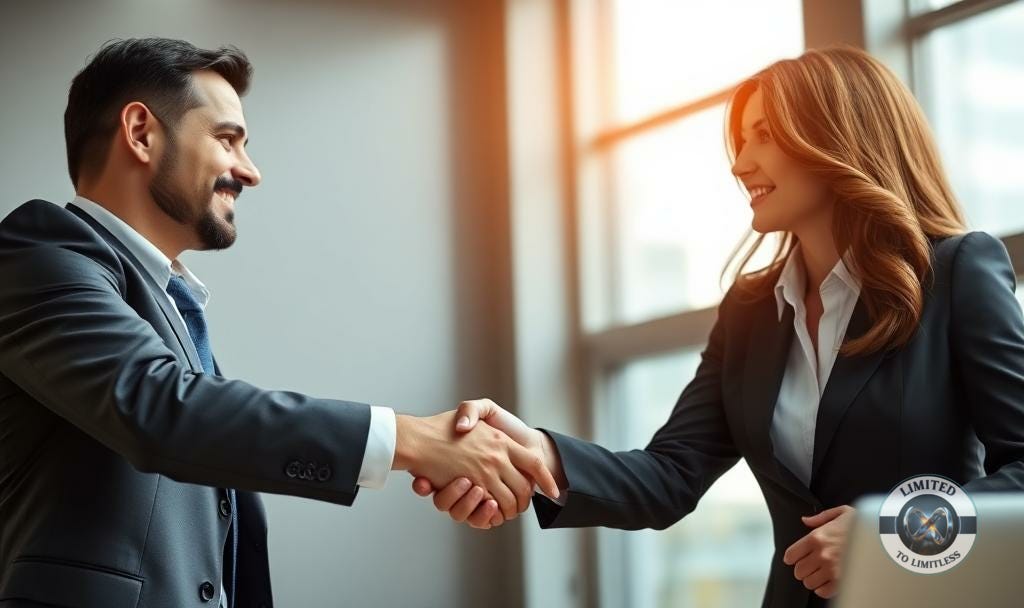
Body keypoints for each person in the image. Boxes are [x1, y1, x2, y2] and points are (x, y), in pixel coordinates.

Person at [415, 46, 1024, 607]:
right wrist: (533, 451)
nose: (741, 161)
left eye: (764, 134)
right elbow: (669, 476)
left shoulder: (955, 271)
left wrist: (893, 531)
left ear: (839, 136)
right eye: (740, 138)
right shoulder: (751, 309)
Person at [0, 38, 557, 608]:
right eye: (227, 139)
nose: (250, 171)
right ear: (141, 133)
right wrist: (410, 440)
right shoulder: (34, 255)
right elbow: (163, 409)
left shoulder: (163, 299)